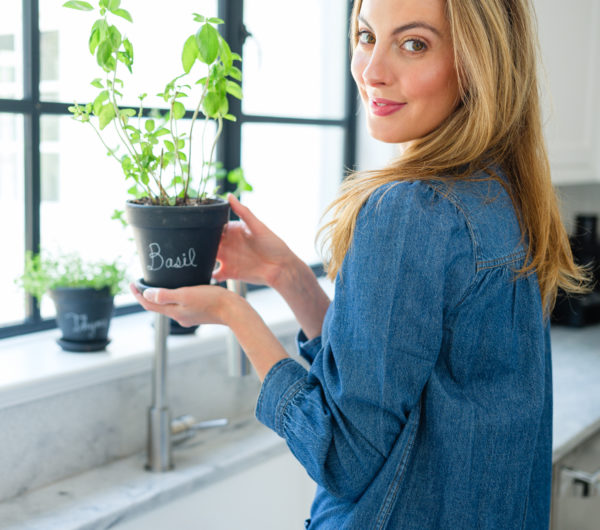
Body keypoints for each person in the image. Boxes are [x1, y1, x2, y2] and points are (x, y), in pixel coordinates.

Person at [130, 0, 588, 527]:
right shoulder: (499, 193)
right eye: (366, 36)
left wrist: (236, 316)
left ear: (477, 62)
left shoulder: (413, 209)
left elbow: (342, 456)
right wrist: (289, 276)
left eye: (414, 44)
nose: (371, 72)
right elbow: (389, 373)